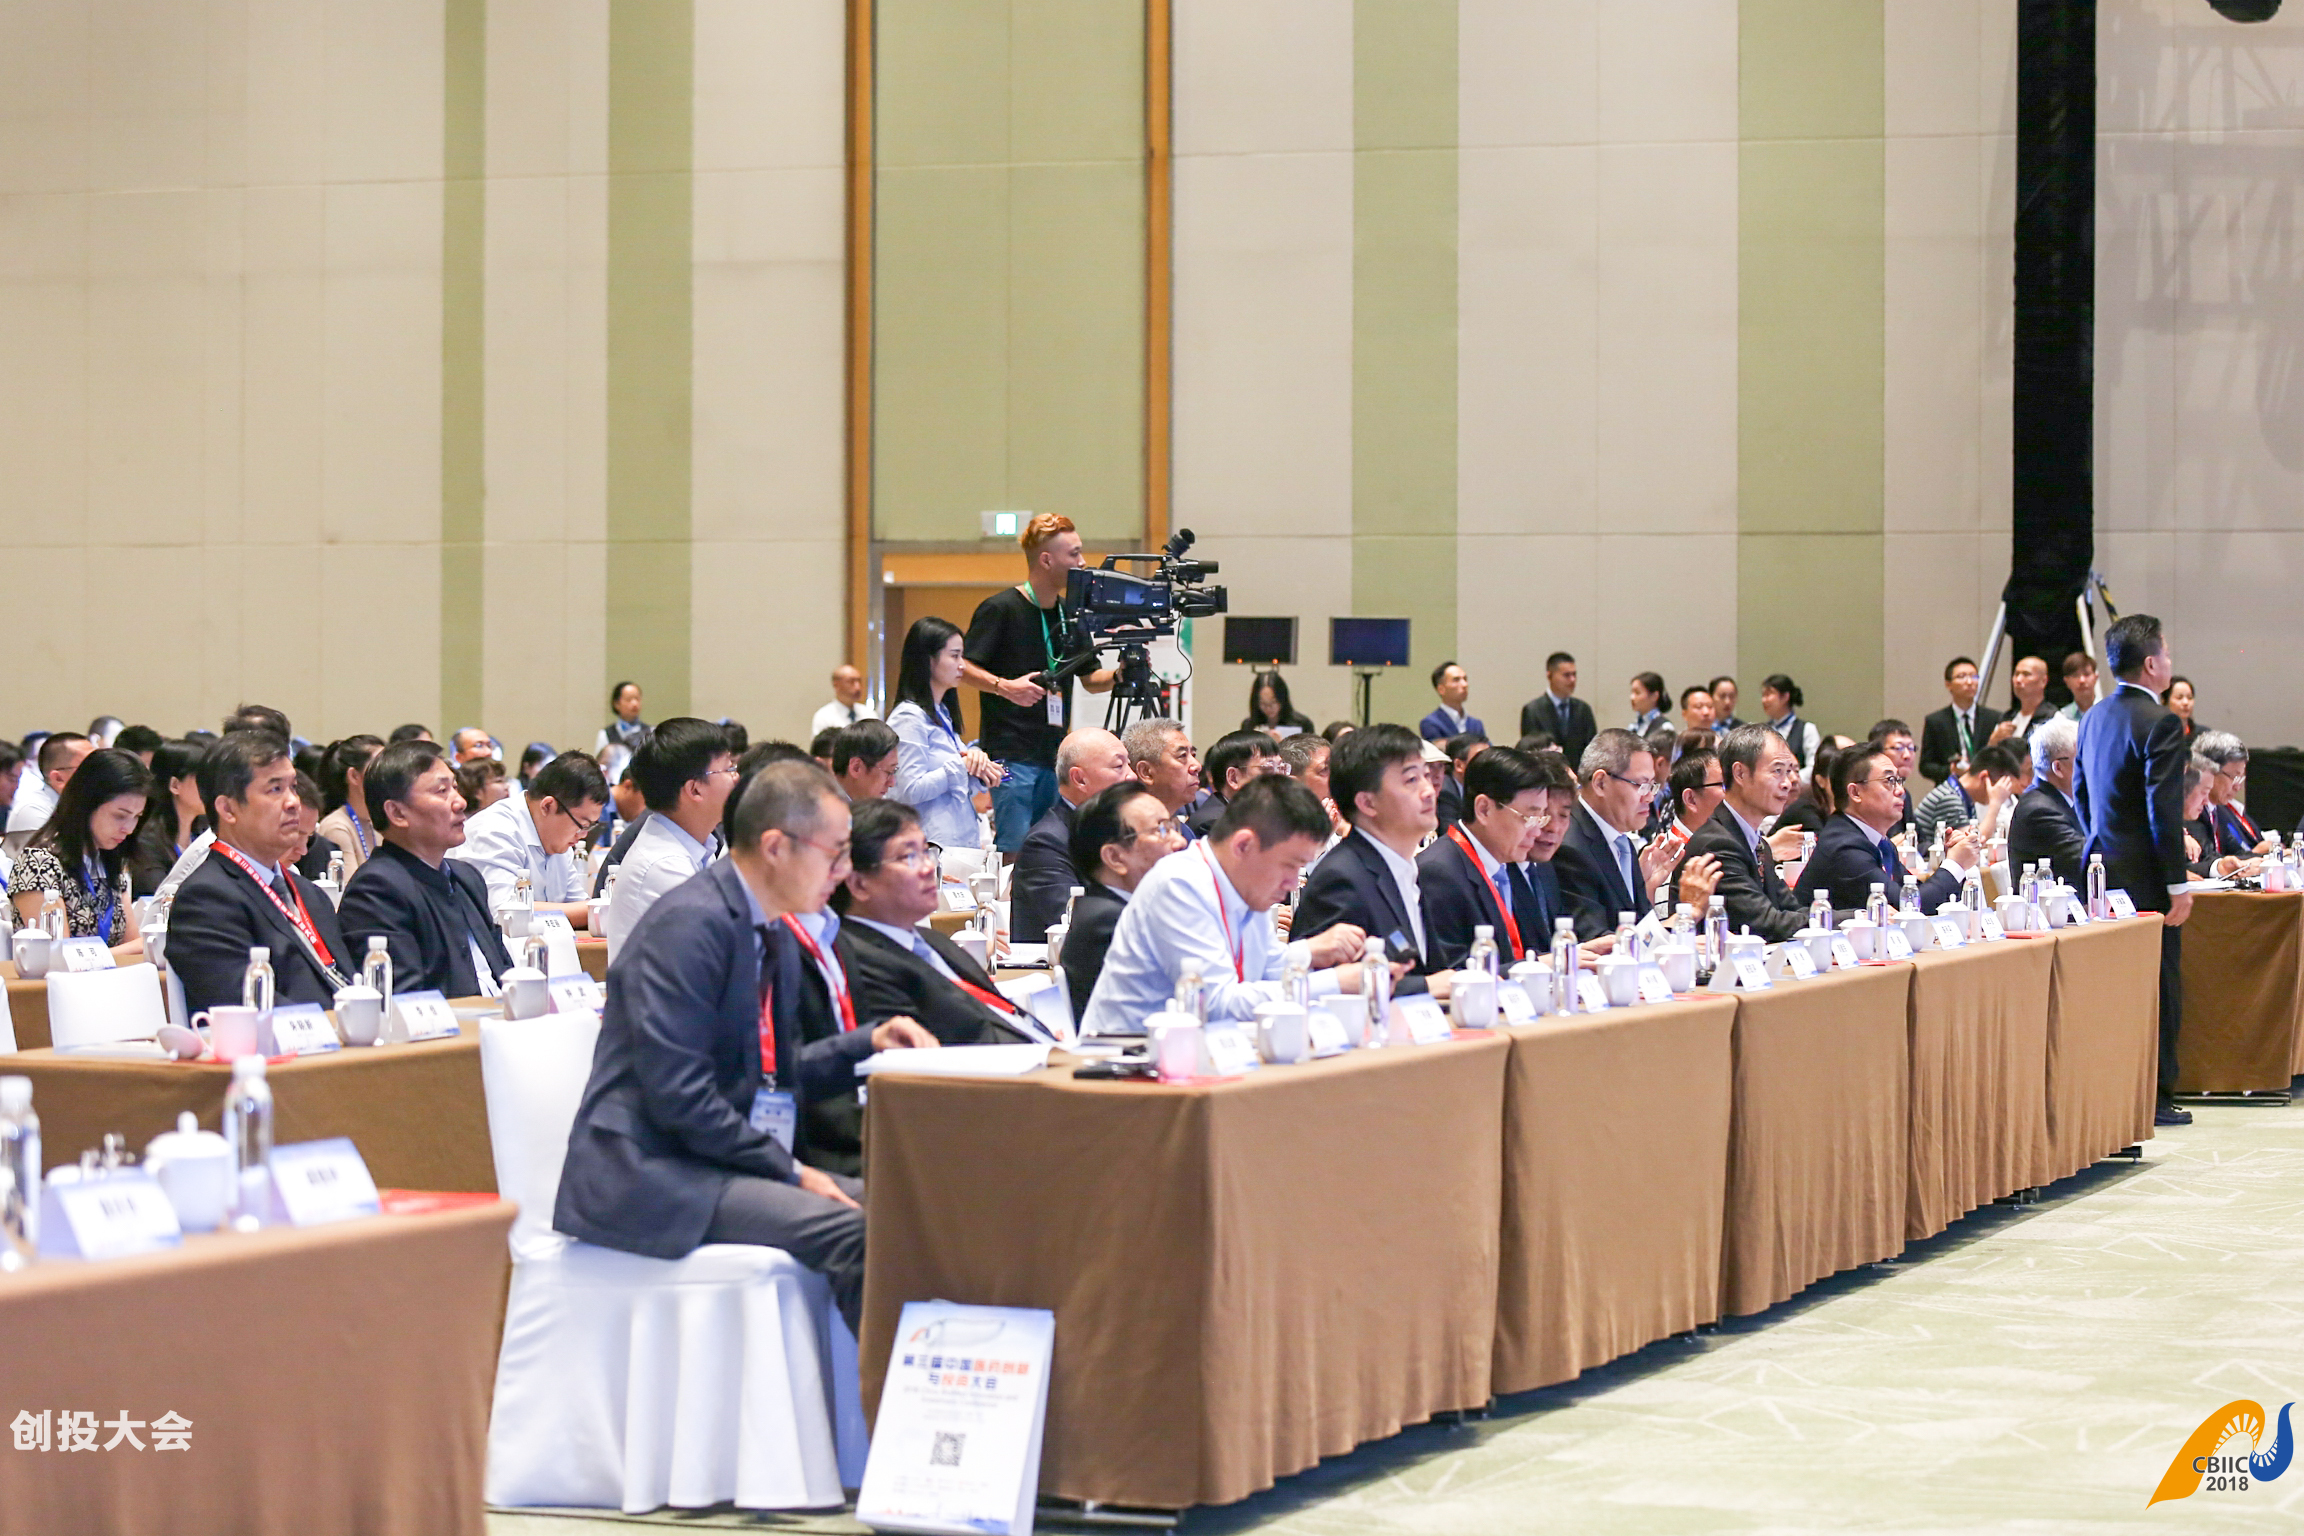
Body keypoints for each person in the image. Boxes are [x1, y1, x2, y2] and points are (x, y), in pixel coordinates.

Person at [553, 760, 938, 1334]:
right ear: (776, 847)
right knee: (859, 1227)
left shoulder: (769, 924)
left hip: (717, 1158)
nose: (843, 872)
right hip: (652, 1173)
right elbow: (680, 1098)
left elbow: (772, 1073)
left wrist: (866, 1043)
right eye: (834, 854)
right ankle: (881, 1392)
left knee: (916, 1205)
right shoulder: (689, 927)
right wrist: (791, 1171)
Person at [1081, 776, 1376, 1036]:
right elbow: (1215, 1005)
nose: (1292, 883)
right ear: (1243, 845)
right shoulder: (1179, 884)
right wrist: (1335, 982)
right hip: (1124, 1061)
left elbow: (1268, 967)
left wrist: (1319, 959)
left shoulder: (1247, 883)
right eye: (1290, 865)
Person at [2073, 614, 2194, 1125]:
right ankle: (2157, 1096)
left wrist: (2102, 844)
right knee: (2158, 983)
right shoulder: (2161, 722)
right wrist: (2177, 884)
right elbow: (2162, 810)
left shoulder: (2093, 717)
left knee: (2110, 986)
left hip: (2099, 869)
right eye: (2165, 653)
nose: (2169, 661)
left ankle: (2114, 1090)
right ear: (2150, 664)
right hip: (2146, 876)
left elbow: (2081, 794)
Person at [166, 731, 352, 1015]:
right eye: (275, 789)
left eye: (293, 787)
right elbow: (248, 1005)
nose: (293, 802)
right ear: (228, 809)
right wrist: (333, 1026)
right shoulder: (206, 899)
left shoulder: (310, 894)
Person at [961, 513, 1116, 853]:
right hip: (1010, 755)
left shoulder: (1070, 615)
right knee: (1014, 847)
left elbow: (1091, 678)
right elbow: (963, 666)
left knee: (1052, 845)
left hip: (1055, 755)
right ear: (1046, 560)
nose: (1082, 562)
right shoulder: (1001, 609)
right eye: (1074, 553)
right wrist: (1004, 686)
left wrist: (1120, 674)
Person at [836, 798, 1041, 1047]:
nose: (928, 868)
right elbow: (924, 1055)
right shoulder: (858, 962)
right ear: (858, 883)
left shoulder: (933, 941)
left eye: (926, 852)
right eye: (908, 857)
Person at [338, 740, 515, 998]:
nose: (460, 802)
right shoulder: (376, 890)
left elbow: (505, 970)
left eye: (455, 788)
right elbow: (406, 1000)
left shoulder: (467, 877)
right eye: (442, 791)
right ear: (397, 813)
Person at [1293, 724, 1447, 991]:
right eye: (1411, 780)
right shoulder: (1341, 879)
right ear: (1367, 803)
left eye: (1426, 775)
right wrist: (1428, 986)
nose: (1429, 791)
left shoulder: (1409, 867)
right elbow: (1332, 988)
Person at [602, 718, 736, 962]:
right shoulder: (664, 866)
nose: (736, 778)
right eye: (728, 770)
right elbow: (719, 955)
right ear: (695, 789)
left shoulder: (694, 846)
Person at [1795, 742, 1978, 916]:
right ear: (1855, 793)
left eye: (1899, 781)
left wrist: (1952, 857)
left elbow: (1914, 892)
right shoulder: (1844, 847)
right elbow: (1910, 908)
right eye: (1890, 780)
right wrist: (1955, 864)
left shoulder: (1879, 842)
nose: (1901, 791)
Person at [1415, 746, 1552, 969]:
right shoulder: (1439, 872)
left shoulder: (1506, 862)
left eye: (1541, 818)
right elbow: (1454, 972)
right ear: (1484, 809)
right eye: (1529, 817)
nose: (1537, 832)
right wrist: (1537, 966)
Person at [1058, 782, 1183, 1022]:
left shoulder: (1112, 908)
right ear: (1115, 857)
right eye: (1161, 830)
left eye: (1173, 826)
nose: (1180, 842)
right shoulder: (1108, 921)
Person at [1671, 724, 1808, 941]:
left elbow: (1792, 909)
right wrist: (1850, 917)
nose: (1787, 784)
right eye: (1777, 771)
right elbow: (1766, 923)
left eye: (1789, 771)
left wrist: (1843, 917)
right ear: (1740, 773)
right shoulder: (1716, 844)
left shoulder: (1756, 841)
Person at [9, 748, 151, 957]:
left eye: (137, 817)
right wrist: (117, 953)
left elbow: (135, 946)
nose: (129, 829)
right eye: (120, 816)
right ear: (87, 804)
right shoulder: (38, 863)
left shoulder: (108, 859)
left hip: (115, 975)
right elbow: (59, 956)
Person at [451, 749, 609, 927]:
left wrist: (594, 910)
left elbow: (578, 905)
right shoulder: (494, 830)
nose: (584, 835)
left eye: (590, 826)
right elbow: (504, 915)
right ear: (547, 806)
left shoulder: (558, 841)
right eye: (582, 824)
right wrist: (603, 909)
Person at [888, 616, 1002, 855]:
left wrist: (979, 767)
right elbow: (908, 790)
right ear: (928, 659)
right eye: (954, 656)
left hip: (956, 839)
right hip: (928, 844)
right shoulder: (909, 717)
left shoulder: (942, 713)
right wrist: (961, 766)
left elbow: (954, 783)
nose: (962, 665)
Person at [1011, 728, 1130, 944]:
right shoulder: (1046, 842)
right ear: (1080, 779)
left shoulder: (1113, 830)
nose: (1132, 775)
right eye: (1118, 766)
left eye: (1129, 764)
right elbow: (1077, 923)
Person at [1553, 729, 1675, 941]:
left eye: (1652, 786)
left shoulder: (1622, 840)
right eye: (1642, 785)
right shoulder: (1570, 847)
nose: (1649, 797)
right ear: (1600, 783)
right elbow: (1596, 939)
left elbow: (1638, 924)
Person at [2009, 716, 2086, 887]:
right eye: (2083, 757)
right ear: (2058, 767)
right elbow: (2087, 860)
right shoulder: (2039, 811)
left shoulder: (2059, 799)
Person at [1914, 741, 2025, 852]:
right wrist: (1995, 803)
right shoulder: (1949, 798)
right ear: (1984, 777)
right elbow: (1970, 847)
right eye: (2000, 787)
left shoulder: (1962, 796)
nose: (2003, 794)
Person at [1920, 656, 2002, 785]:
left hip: (1985, 786)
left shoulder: (1994, 718)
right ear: (1948, 684)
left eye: (1974, 677)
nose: (1969, 682)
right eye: (1962, 676)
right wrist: (1951, 770)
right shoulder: (1936, 721)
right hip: (1951, 788)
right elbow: (1925, 766)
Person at [314, 735, 386, 877]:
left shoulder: (376, 820)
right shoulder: (336, 827)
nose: (389, 774)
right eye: (380, 767)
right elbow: (349, 887)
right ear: (354, 776)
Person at [1186, 730, 1279, 840]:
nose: (1281, 777)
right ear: (1233, 778)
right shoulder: (1214, 824)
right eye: (1268, 768)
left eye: (1281, 767)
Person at [1122, 717, 1202, 841]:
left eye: (1193, 755)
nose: (1197, 766)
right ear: (1146, 772)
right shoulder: (1127, 837)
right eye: (1182, 756)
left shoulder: (1185, 831)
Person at [2194, 731, 2270, 861]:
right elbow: (2206, 858)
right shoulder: (2190, 807)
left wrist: (2274, 857)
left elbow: (2237, 853)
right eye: (2234, 777)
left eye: (2241, 778)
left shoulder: (2219, 809)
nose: (2238, 787)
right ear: (2210, 770)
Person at [6, 732, 92, 844]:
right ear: (58, 778)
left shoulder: (83, 806)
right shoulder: (33, 810)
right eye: (89, 767)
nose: (100, 772)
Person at [1520, 653, 1597, 770]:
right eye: (1566, 675)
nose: (1572, 680)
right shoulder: (1533, 710)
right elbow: (1529, 751)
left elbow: (1591, 748)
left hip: (1578, 774)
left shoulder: (1583, 709)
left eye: (1574, 674)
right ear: (1549, 676)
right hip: (1545, 774)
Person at [1755, 674, 1822, 772]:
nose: (1764, 700)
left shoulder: (1807, 729)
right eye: (1763, 695)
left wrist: (1789, 777)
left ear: (1785, 697)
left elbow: (1813, 767)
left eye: (1768, 694)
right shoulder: (1762, 731)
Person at [1868, 719, 1922, 835]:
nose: (1907, 756)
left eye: (1911, 748)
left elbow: (1919, 839)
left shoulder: (1904, 794)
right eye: (1898, 748)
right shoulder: (1872, 794)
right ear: (1878, 753)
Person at [828, 719, 900, 803]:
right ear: (856, 768)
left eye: (894, 771)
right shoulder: (823, 807)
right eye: (889, 772)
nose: (892, 783)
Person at [1991, 655, 2056, 745]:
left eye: (2026, 674)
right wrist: (1993, 741)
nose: (2018, 680)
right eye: (2016, 674)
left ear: (2043, 681)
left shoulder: (2054, 718)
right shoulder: (2007, 718)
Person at [1434, 731, 1487, 830]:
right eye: (1481, 759)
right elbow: (1451, 833)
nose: (1489, 765)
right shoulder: (1445, 792)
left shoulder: (1483, 788)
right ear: (1459, 765)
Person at [1420, 662, 1484, 743]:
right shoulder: (1431, 723)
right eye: (1456, 680)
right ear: (1441, 689)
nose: (1464, 684)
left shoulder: (1476, 724)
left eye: (1465, 679)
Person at [810, 664, 878, 738]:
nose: (858, 687)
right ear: (836, 685)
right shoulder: (824, 716)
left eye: (859, 681)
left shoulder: (868, 713)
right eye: (851, 682)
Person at [1243, 670, 1315, 739]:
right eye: (1263, 703)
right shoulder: (1249, 725)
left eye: (1273, 702)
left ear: (1282, 699)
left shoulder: (1302, 724)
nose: (1268, 708)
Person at [595, 681, 651, 758]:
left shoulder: (651, 732)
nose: (634, 704)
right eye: (629, 699)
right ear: (616, 704)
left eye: (637, 699)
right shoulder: (606, 734)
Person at [2058, 652, 2099, 720]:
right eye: (2075, 675)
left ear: (2095, 678)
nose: (2082, 680)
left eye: (2086, 674)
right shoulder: (2062, 718)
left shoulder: (2111, 710)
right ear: (2067, 681)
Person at [2164, 675, 2204, 745]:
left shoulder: (2203, 735)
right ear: (2164, 701)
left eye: (2190, 698)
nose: (2186, 702)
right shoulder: (2158, 735)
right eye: (2179, 698)